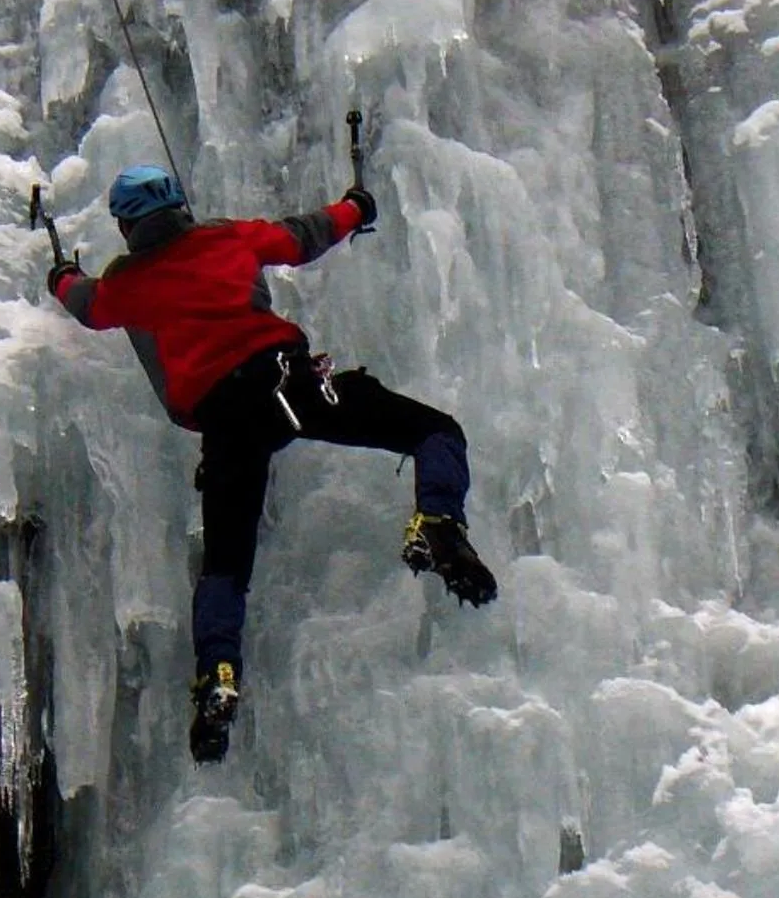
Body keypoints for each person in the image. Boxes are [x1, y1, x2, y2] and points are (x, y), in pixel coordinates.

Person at [49, 164, 497, 762]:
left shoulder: (128, 281)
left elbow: (89, 306)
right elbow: (303, 235)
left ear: (128, 226)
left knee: (225, 568)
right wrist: (357, 208)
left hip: (225, 422)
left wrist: (61, 274)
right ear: (179, 205)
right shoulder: (225, 237)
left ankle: (218, 674)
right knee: (434, 431)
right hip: (287, 387)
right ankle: (437, 521)